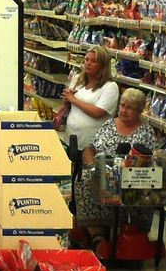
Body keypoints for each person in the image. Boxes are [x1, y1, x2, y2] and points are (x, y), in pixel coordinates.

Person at [75, 88, 158, 255]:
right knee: (84, 180)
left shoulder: (146, 132)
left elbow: (149, 163)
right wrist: (92, 166)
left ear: (140, 111)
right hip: (101, 173)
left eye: (130, 108)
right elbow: (90, 148)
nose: (124, 111)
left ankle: (128, 232)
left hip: (131, 181)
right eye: (122, 105)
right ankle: (97, 235)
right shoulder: (108, 125)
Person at [57, 46, 118, 161]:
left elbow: (98, 112)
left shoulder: (110, 87)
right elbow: (68, 104)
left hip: (92, 146)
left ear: (102, 65)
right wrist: (66, 100)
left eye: (93, 61)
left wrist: (74, 99)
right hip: (70, 139)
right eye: (86, 60)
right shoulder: (77, 80)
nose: (88, 63)